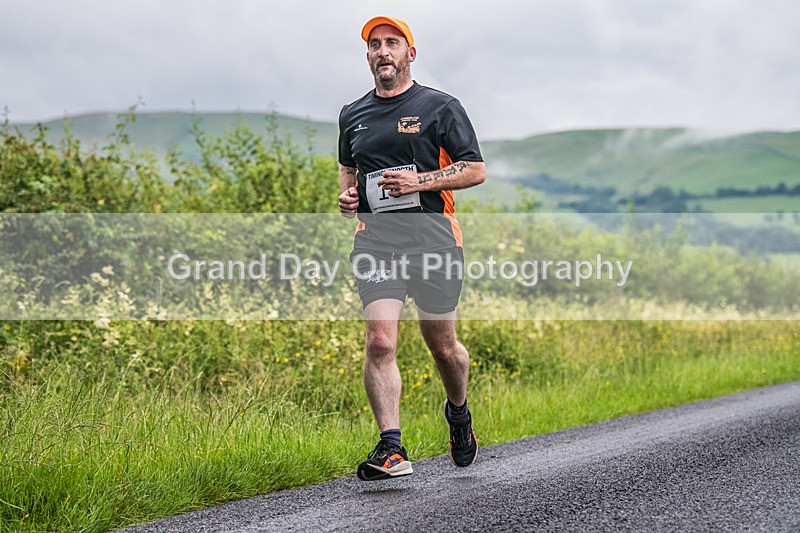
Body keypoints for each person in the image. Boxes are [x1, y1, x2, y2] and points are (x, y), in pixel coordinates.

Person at [337, 16, 486, 481]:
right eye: (375, 44)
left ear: (409, 54)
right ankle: (391, 447)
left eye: (392, 43)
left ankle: (458, 411)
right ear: (368, 56)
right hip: (377, 242)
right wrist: (347, 197)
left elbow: (475, 169)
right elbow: (348, 171)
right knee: (380, 341)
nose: (383, 51)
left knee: (443, 348)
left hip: (434, 240)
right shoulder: (352, 114)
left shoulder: (440, 107)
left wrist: (419, 182)